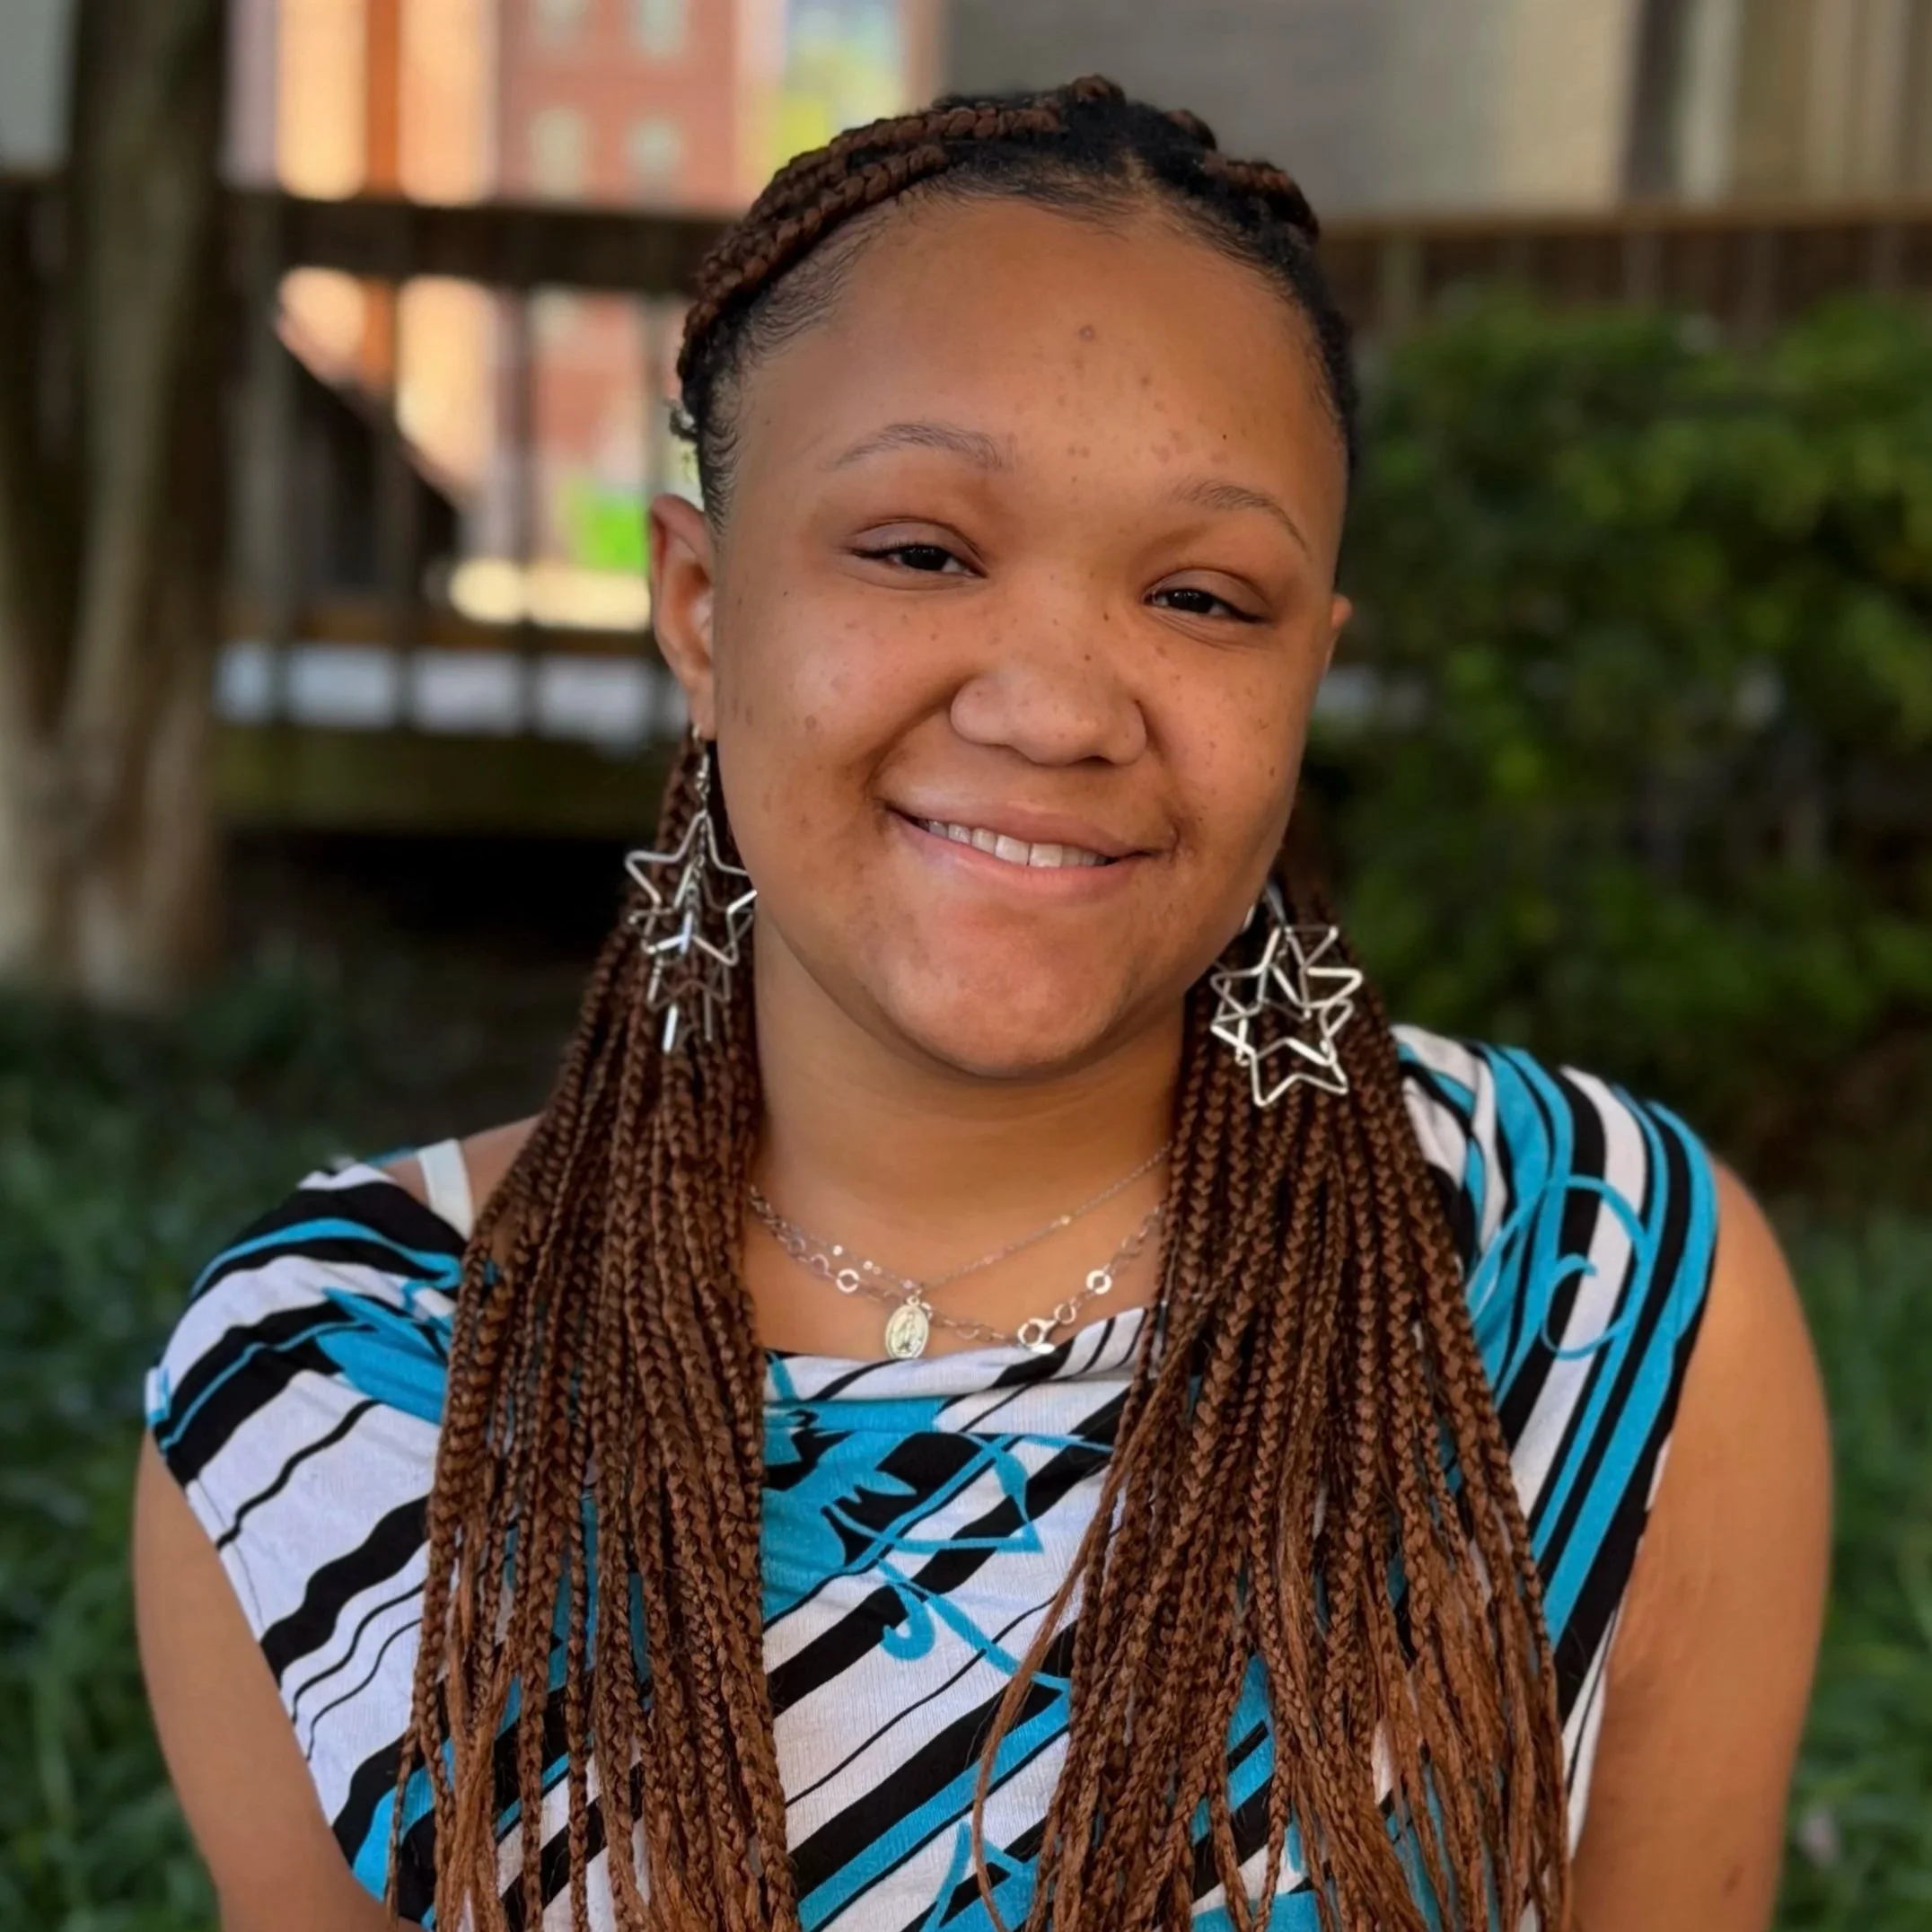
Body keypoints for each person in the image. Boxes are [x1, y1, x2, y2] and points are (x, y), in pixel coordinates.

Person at [132, 78, 1830, 1932]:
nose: (1056, 707)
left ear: (1307, 672)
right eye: (921, 551)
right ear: (698, 605)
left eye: (1204, 597)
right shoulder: (339, 1381)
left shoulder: (1591, 1285)